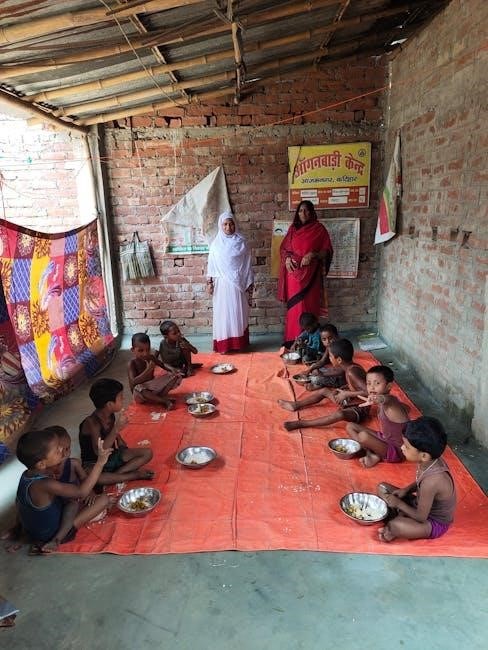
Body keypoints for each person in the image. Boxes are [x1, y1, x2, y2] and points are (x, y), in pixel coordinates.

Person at [15, 428, 111, 554]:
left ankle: (22, 533)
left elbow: (19, 504)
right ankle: (58, 538)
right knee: (104, 499)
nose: (61, 449)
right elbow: (81, 492)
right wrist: (100, 463)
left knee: (71, 503)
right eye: (57, 450)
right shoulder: (45, 484)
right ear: (41, 464)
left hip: (33, 531)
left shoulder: (26, 476)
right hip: (48, 534)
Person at [377, 417, 456, 543]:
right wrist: (406, 490)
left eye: (407, 447)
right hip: (419, 504)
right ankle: (399, 515)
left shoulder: (433, 481)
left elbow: (421, 517)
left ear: (424, 455)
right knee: (382, 487)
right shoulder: (430, 460)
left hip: (432, 522)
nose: (402, 447)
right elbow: (421, 482)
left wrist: (399, 504)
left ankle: (396, 519)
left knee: (395, 526)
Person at [278, 338, 369, 431]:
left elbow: (369, 392)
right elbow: (354, 385)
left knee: (340, 414)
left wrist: (346, 394)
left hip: (360, 408)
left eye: (330, 356)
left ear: (339, 359)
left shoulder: (352, 372)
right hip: (350, 400)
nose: (329, 358)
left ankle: (302, 423)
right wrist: (343, 389)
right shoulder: (348, 367)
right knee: (324, 391)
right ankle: (296, 405)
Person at [277, 200, 333, 348]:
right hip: (293, 275)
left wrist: (313, 254)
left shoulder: (319, 229)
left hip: (311, 276)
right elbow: (283, 249)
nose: (304, 213)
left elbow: (327, 251)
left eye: (307, 210)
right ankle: (292, 339)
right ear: (297, 213)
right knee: (295, 308)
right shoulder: (292, 229)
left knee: (309, 305)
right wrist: (287, 259)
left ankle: (312, 341)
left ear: (312, 212)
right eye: (301, 210)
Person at [79, 378, 154, 487]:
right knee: (91, 476)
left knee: (147, 453)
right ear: (109, 404)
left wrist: (119, 439)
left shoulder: (110, 415)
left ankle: (116, 475)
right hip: (95, 464)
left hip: (112, 456)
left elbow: (112, 433)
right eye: (120, 397)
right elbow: (99, 452)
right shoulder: (92, 423)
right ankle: (132, 475)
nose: (123, 399)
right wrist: (116, 429)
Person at [206, 210, 254, 354]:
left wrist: (249, 281)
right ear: (221, 226)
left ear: (235, 224)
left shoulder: (242, 243)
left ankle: (238, 344)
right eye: (225, 224)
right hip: (222, 285)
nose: (228, 227)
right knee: (224, 314)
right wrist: (209, 283)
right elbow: (211, 265)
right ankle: (224, 345)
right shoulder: (215, 245)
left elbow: (248, 264)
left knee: (238, 312)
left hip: (238, 284)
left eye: (231, 224)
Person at [346, 365, 410, 467]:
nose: (372, 387)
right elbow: (407, 408)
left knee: (363, 436)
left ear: (389, 386)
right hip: (385, 438)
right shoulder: (393, 403)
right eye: (368, 383)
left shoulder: (390, 401)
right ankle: (372, 453)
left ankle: (373, 454)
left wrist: (378, 399)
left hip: (398, 450)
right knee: (350, 426)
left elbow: (386, 399)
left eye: (377, 383)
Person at [129, 333, 182, 407]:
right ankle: (164, 401)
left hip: (152, 388)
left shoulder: (150, 357)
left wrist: (172, 369)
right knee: (138, 387)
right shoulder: (132, 363)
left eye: (148, 350)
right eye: (141, 351)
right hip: (140, 394)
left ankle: (160, 397)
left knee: (176, 375)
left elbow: (162, 364)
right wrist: (148, 370)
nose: (145, 353)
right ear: (132, 350)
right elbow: (133, 382)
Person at [302, 323, 344, 389]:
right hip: (333, 371)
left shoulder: (339, 348)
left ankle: (319, 386)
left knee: (315, 378)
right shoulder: (329, 347)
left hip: (340, 378)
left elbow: (342, 370)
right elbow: (322, 361)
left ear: (337, 336)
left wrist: (322, 374)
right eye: (324, 339)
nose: (328, 341)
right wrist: (310, 370)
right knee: (314, 368)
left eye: (330, 338)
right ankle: (319, 383)